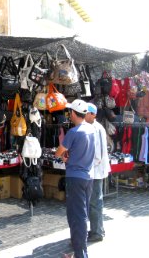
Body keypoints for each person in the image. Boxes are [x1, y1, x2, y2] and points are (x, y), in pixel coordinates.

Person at [55, 99, 95, 258]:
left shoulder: (74, 132)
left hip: (75, 177)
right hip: (87, 176)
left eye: (69, 112)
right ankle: (79, 250)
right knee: (81, 214)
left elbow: (59, 151)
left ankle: (81, 254)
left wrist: (62, 156)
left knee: (76, 216)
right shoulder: (91, 130)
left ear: (73, 113)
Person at [85, 103, 111, 243]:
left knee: (95, 201)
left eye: (86, 113)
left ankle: (97, 232)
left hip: (95, 170)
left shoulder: (95, 128)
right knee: (94, 201)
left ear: (93, 114)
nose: (84, 115)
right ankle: (98, 228)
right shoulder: (94, 127)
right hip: (95, 170)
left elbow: (98, 154)